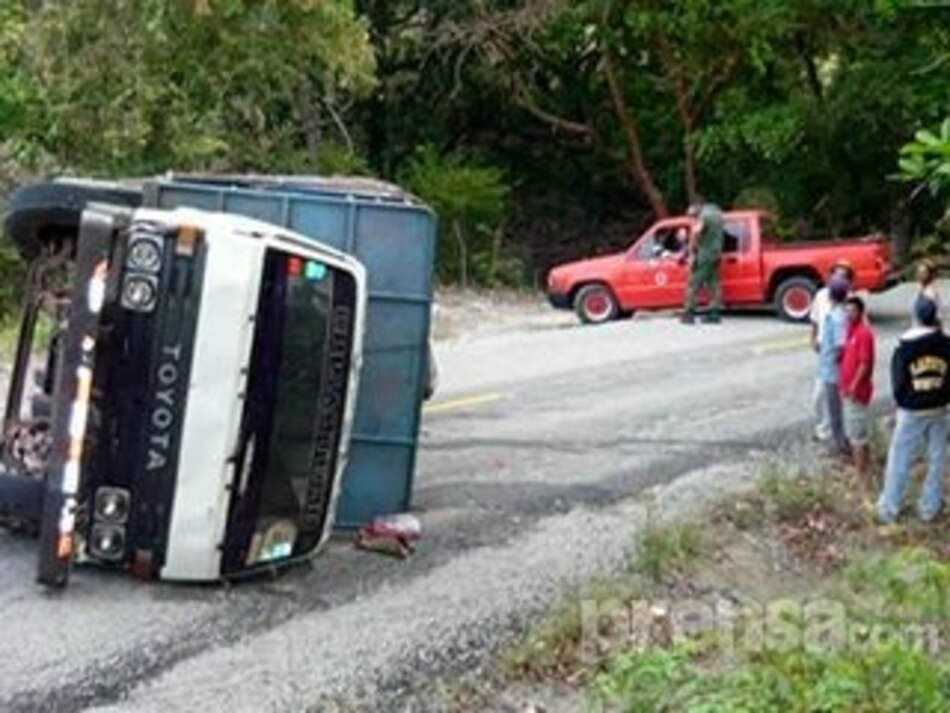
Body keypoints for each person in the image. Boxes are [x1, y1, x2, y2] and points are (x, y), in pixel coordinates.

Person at [877, 297, 950, 524]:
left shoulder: (905, 348)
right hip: (939, 408)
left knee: (900, 458)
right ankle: (929, 507)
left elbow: (898, 383)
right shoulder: (947, 345)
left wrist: (902, 403)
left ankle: (889, 509)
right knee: (937, 459)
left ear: (916, 316)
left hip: (912, 410)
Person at [810, 261, 856, 442]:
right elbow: (815, 319)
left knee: (838, 398)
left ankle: (838, 435)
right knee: (819, 397)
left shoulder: (850, 301)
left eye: (843, 275)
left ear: (849, 281)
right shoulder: (821, 295)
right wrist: (813, 338)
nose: (838, 278)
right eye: (835, 274)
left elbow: (853, 332)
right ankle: (824, 429)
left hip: (838, 358)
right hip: (824, 352)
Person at [840, 296, 876, 489]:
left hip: (857, 392)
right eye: (846, 310)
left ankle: (860, 478)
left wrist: (854, 385)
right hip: (847, 390)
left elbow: (865, 362)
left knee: (856, 438)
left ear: (860, 312)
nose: (848, 314)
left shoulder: (863, 333)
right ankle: (867, 470)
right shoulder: (850, 330)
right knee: (859, 433)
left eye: (852, 311)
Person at [818, 275, 851, 457]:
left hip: (833, 372)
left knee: (834, 410)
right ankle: (839, 442)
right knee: (834, 409)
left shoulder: (837, 317)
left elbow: (841, 345)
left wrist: (835, 361)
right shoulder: (838, 313)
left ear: (830, 294)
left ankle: (839, 445)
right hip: (831, 369)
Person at [681, 199, 725, 324]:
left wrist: (691, 250)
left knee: (693, 283)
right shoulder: (717, 213)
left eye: (692, 214)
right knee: (714, 283)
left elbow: (696, 233)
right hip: (716, 253)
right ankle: (714, 314)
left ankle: (688, 314)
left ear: (697, 206)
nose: (691, 216)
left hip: (705, 254)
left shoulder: (704, 216)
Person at [913, 259, 941, 325]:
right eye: (918, 272)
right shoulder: (920, 289)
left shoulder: (930, 294)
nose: (920, 275)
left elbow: (937, 317)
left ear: (930, 275)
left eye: (924, 272)